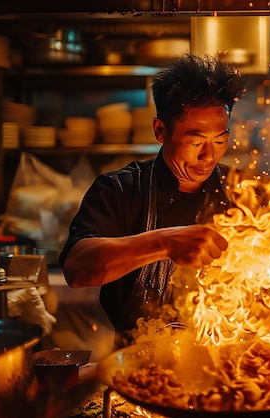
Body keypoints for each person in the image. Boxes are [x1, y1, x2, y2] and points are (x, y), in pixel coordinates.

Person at [59, 53, 247, 347]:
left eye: (220, 140)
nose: (208, 156)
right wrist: (165, 243)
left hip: (230, 366)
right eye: (195, 142)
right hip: (139, 364)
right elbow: (77, 268)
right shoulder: (119, 190)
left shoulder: (246, 193)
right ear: (160, 130)